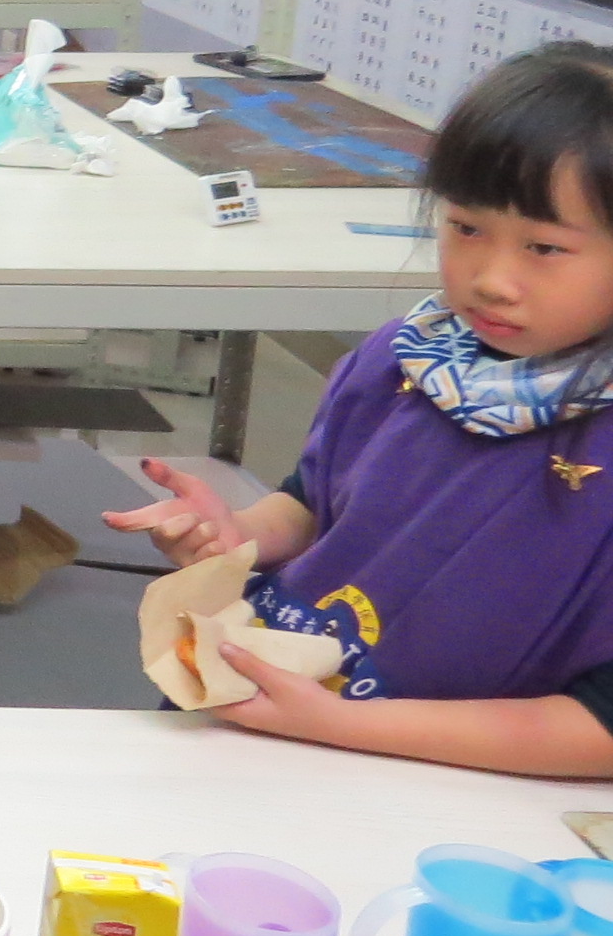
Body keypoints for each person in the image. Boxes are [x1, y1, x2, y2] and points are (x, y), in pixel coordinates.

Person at [106, 42, 613, 777]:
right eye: (467, 228)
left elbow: (600, 728)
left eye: (544, 247)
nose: (491, 279)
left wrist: (343, 725)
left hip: (439, 786)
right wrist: (239, 536)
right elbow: (315, 503)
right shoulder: (412, 359)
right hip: (273, 719)